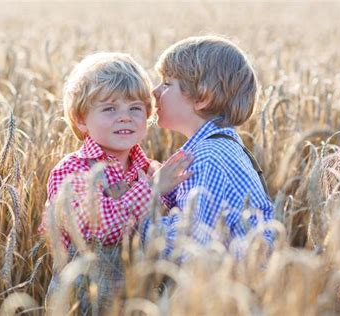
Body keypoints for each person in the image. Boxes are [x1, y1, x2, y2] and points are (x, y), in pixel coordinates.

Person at [39, 52, 192, 314]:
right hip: (84, 300)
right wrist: (153, 189)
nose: (125, 117)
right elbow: (99, 228)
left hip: (137, 298)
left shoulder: (146, 169)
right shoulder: (72, 171)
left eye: (135, 108)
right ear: (80, 119)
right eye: (109, 108)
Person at [140, 35, 274, 258]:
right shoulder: (221, 145)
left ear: (202, 97)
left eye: (166, 84)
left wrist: (134, 220)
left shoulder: (207, 158)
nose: (154, 92)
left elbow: (191, 246)